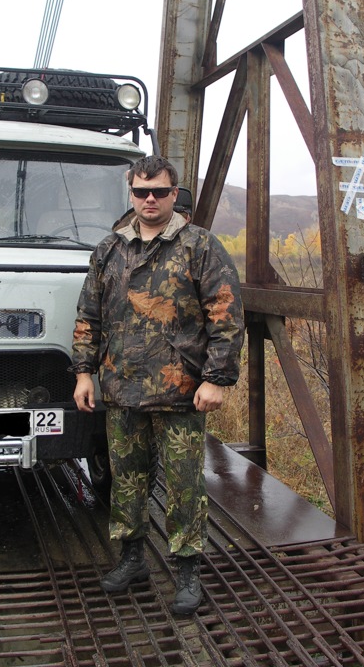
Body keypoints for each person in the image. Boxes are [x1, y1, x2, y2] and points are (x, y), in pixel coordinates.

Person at [70, 155, 244, 615]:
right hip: (122, 390)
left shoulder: (199, 246)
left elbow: (226, 316)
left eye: (160, 192)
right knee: (126, 480)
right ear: (131, 193)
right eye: (142, 192)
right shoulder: (109, 249)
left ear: (174, 194)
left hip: (180, 391)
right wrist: (84, 372)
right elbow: (88, 316)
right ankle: (132, 559)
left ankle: (187, 571)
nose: (150, 200)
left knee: (185, 483)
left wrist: (216, 379)